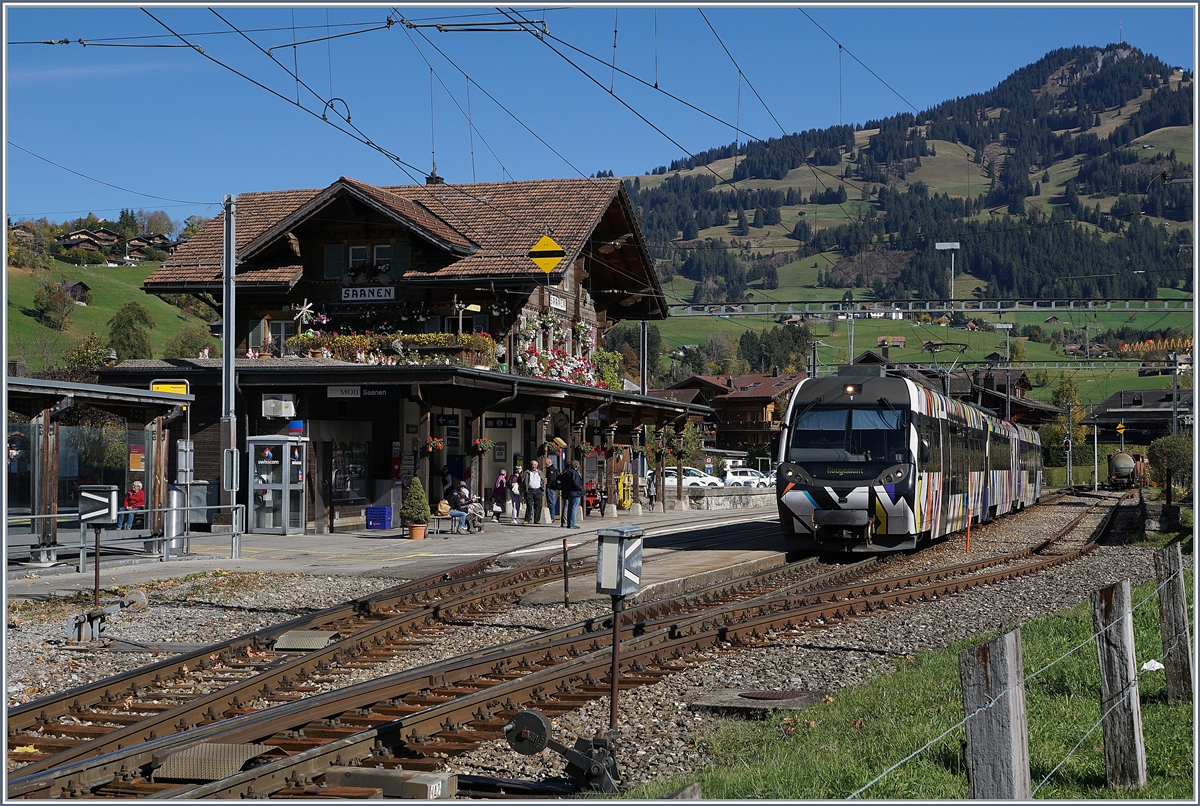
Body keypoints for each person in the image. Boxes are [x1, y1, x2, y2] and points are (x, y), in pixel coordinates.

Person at [558, 460, 584, 529]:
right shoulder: (574, 473)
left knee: (569, 507)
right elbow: (576, 483)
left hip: (569, 492)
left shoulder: (567, 472)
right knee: (574, 507)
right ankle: (572, 523)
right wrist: (581, 489)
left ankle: (569, 523)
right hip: (575, 492)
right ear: (577, 466)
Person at [521, 460, 544, 524]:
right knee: (529, 505)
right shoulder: (527, 472)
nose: (534, 466)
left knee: (538, 506)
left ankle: (537, 520)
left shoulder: (539, 472)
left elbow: (543, 480)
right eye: (533, 465)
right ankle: (527, 520)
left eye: (535, 465)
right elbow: (523, 480)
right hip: (529, 491)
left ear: (537, 466)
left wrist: (542, 488)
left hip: (538, 490)